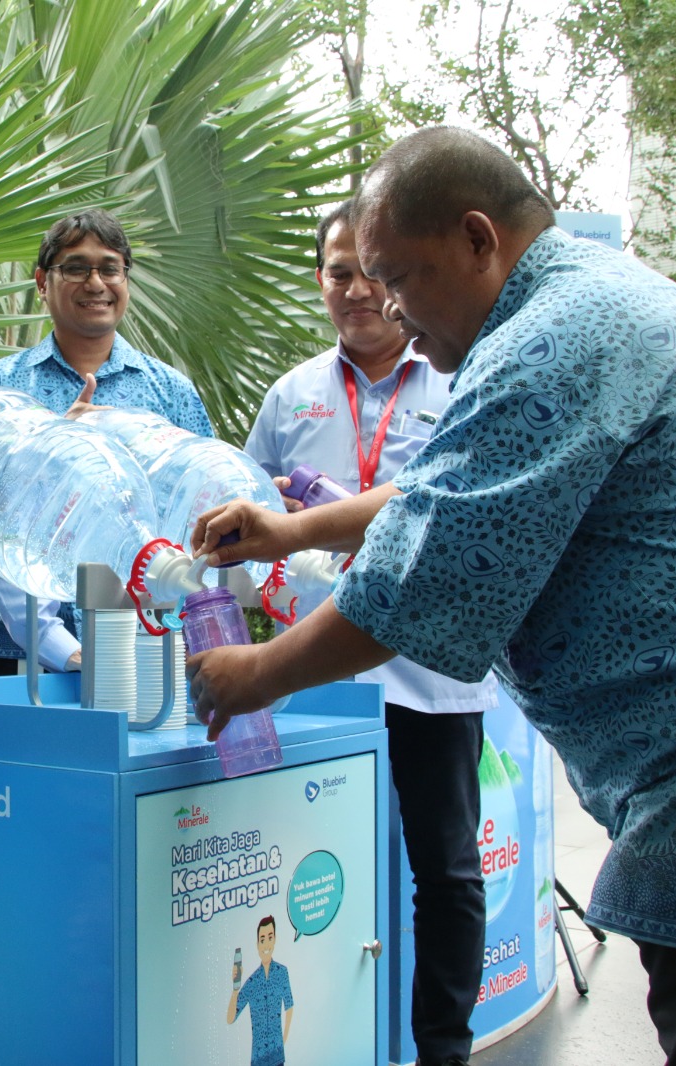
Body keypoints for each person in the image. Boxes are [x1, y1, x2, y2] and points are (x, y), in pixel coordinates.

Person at [189, 126, 676, 1065]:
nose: (386, 305)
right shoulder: (583, 300)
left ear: (475, 238)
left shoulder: (553, 338)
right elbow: (447, 491)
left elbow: (429, 571)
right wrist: (295, 528)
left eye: (398, 277)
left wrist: (253, 675)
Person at [242, 199, 492, 1066]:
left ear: (397, 277)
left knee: (446, 872)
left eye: (369, 272)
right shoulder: (292, 397)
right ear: (321, 283)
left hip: (429, 675)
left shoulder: (464, 383)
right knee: (311, 866)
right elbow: (249, 528)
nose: (356, 291)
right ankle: (333, 1043)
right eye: (337, 273)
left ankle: (442, 1049)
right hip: (315, 679)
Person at [0, 208, 213, 674]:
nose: (96, 283)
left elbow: (201, 510)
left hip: (149, 641)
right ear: (42, 282)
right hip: (22, 657)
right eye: (76, 268)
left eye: (110, 268)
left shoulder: (170, 392)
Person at [226, 915, 294, 1065]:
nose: (266, 944)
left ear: (275, 939)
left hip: (277, 1056)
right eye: (262, 940)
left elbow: (289, 1005)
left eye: (270, 937)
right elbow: (230, 1018)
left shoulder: (282, 972)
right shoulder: (252, 982)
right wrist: (235, 989)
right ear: (257, 944)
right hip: (258, 1059)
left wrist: (284, 1038)